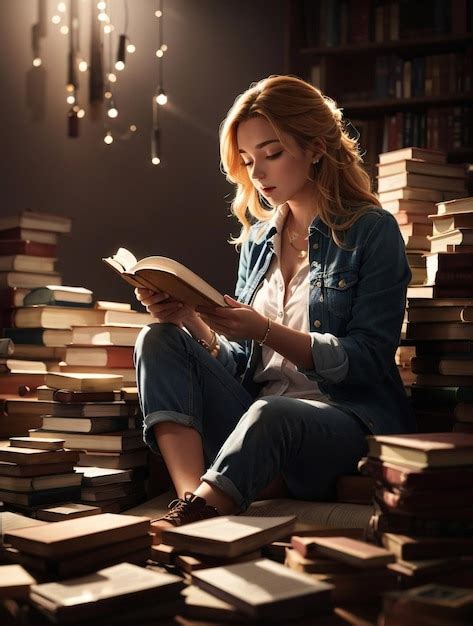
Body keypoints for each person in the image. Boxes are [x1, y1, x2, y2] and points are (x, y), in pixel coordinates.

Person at [134, 75, 415, 533]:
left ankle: (208, 504)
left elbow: (368, 360)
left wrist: (264, 329)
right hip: (257, 416)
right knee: (159, 338)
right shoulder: (259, 240)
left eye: (273, 153)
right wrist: (191, 320)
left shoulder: (371, 231)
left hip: (344, 422)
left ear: (317, 147)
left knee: (273, 413)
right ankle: (192, 507)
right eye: (247, 161)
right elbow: (246, 363)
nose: (258, 173)